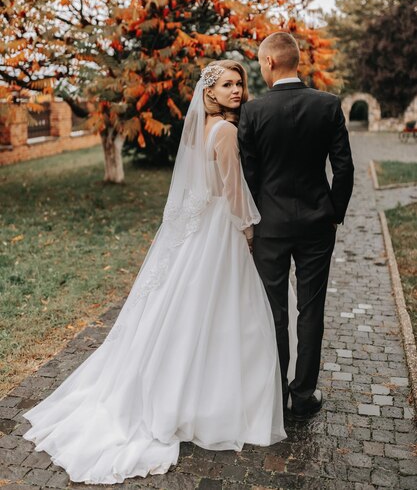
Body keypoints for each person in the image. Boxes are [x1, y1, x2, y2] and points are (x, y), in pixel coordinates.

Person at [23, 60, 298, 485]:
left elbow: (194, 188)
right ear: (209, 92)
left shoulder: (200, 130)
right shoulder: (224, 132)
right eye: (227, 85)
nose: (236, 91)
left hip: (196, 229)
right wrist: (248, 230)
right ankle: (211, 400)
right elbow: (232, 190)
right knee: (224, 313)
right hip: (219, 232)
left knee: (189, 308)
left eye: (239, 84)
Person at [238, 32, 354, 421]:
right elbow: (343, 167)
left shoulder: (253, 112)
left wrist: (252, 220)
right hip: (317, 224)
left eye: (259, 63)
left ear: (269, 62)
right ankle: (302, 395)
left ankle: (273, 393)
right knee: (311, 309)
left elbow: (248, 175)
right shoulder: (328, 105)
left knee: (273, 310)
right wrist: (334, 211)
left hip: (269, 226)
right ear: (296, 60)